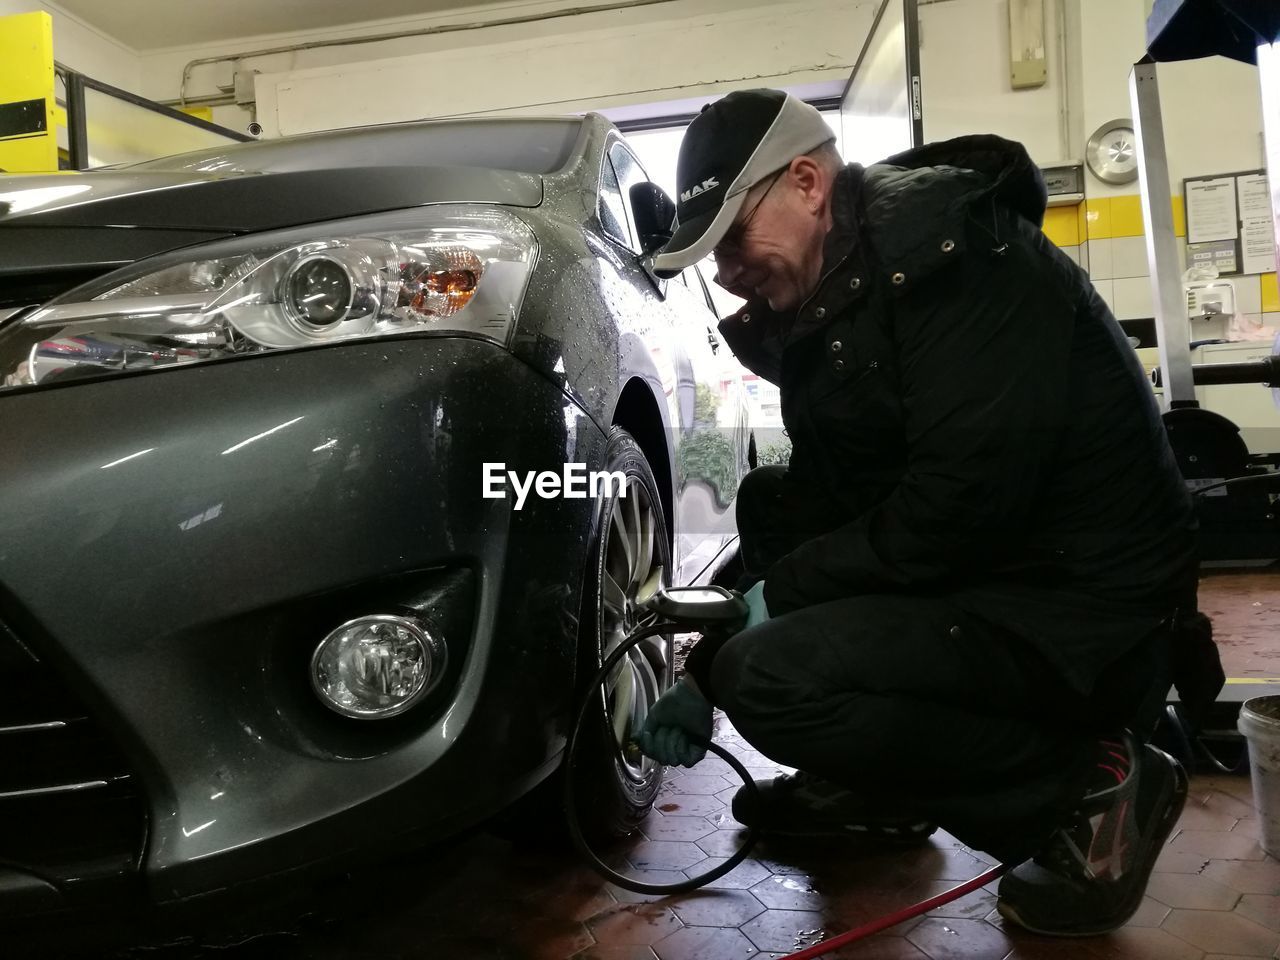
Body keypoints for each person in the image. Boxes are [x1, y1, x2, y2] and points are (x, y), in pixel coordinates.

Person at [636, 88, 1214, 937]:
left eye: (732, 237)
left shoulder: (958, 258)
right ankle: (876, 791)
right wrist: (700, 666)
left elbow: (961, 508)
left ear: (806, 182)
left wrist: (774, 605)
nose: (726, 271)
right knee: (762, 574)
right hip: (995, 587)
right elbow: (814, 514)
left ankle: (1086, 787)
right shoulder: (848, 296)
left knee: (774, 678)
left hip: (1087, 618)